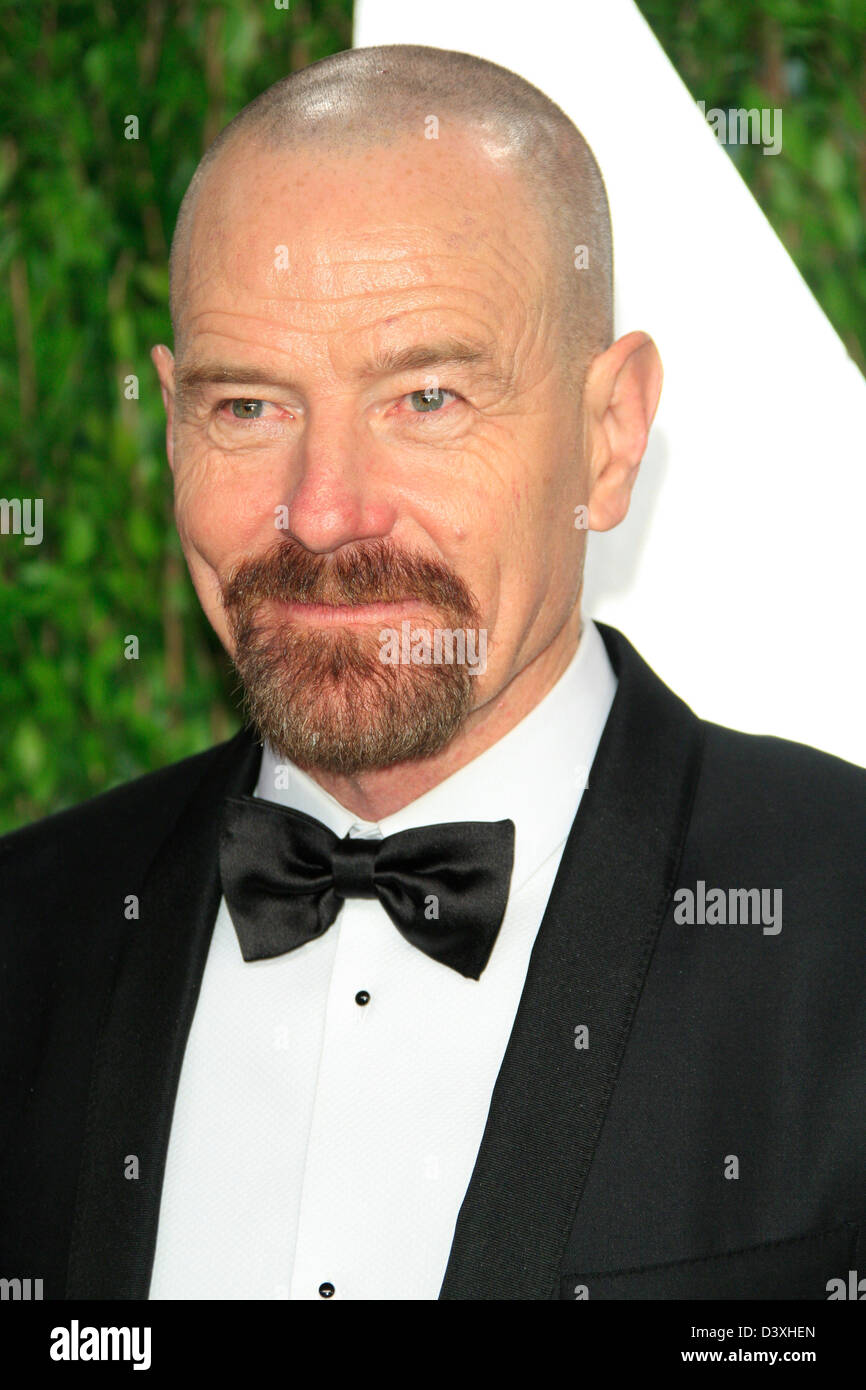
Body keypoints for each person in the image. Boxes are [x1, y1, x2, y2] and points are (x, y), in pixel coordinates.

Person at [1, 44, 864, 1302]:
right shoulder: (29, 933)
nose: (324, 509)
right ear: (174, 415)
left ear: (606, 435)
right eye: (249, 408)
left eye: (427, 397)